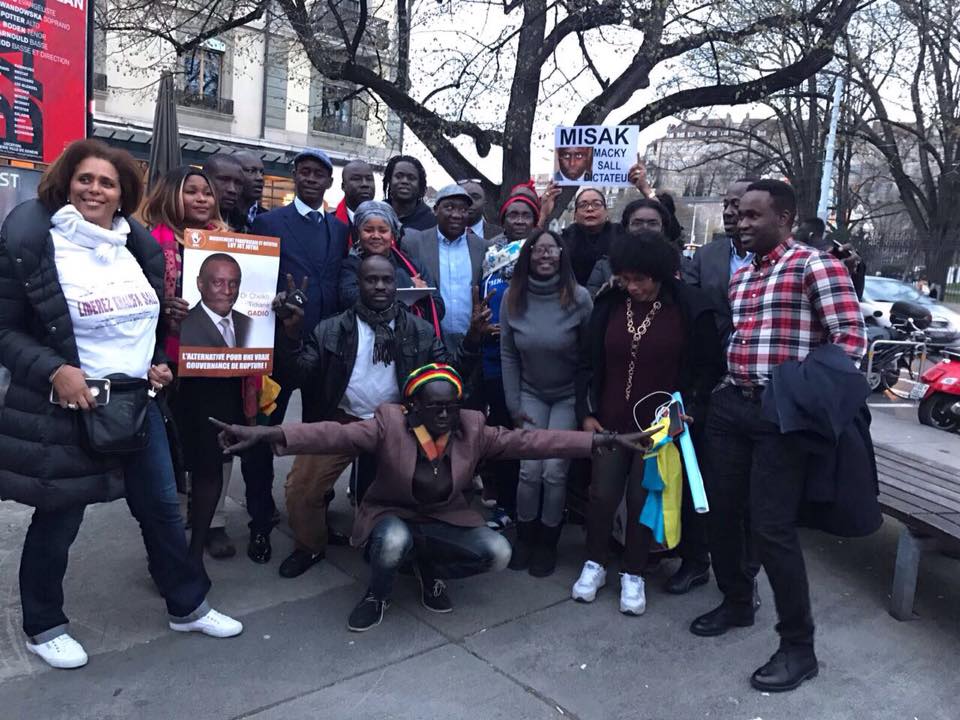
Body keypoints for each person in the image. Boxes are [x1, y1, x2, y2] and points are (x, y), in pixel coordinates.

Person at [0, 139, 242, 670]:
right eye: (85, 179)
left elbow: (146, 318)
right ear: (66, 182)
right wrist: (55, 370)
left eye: (107, 182)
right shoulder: (39, 240)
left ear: (123, 192)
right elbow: (6, 329)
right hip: (68, 406)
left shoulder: (134, 243)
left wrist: (156, 358)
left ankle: (187, 605)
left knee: (159, 508)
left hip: (137, 402)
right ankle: (44, 626)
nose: (95, 189)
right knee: (59, 519)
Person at [211, 363, 651, 632]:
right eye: (435, 406)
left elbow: (534, 442)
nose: (445, 413)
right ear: (412, 407)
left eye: (452, 405)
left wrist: (601, 442)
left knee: (497, 552)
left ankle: (430, 570)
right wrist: (269, 432)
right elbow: (331, 432)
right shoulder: (387, 425)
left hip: (443, 518)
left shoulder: (473, 429)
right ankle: (377, 595)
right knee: (395, 542)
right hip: (392, 515)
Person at [690, 179, 866, 693]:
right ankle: (738, 602)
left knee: (772, 529)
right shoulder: (744, 276)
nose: (740, 223)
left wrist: (797, 392)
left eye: (751, 215)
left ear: (785, 218)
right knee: (721, 512)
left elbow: (851, 343)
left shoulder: (815, 266)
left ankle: (798, 647)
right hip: (731, 406)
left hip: (779, 413)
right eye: (736, 214)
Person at [272, 255, 490, 578]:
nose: (379, 286)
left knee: (415, 491)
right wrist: (290, 335)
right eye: (371, 280)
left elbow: (446, 377)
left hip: (399, 424)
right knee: (301, 489)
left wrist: (473, 339)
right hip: (343, 419)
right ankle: (311, 545)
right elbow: (298, 374)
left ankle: (402, 550)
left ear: (396, 285)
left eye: (387, 280)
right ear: (358, 284)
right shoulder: (331, 328)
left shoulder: (419, 330)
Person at [572, 231, 724, 616]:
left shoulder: (688, 307)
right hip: (609, 420)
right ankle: (594, 563)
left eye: (641, 278)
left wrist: (687, 409)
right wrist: (585, 411)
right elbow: (586, 362)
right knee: (602, 495)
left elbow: (709, 368)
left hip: (658, 427)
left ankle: (633, 572)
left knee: (644, 498)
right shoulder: (609, 303)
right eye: (625, 278)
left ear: (661, 273)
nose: (632, 286)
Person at [244, 147, 349, 563]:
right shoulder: (268, 223)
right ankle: (260, 519)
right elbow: (251, 280)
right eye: (303, 172)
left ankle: (313, 514)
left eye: (318, 173)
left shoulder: (341, 229)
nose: (310, 179)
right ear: (294, 178)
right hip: (280, 347)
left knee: (319, 437)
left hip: (326, 350)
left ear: (328, 182)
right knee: (264, 433)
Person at [140, 165, 238, 559]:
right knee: (166, 464)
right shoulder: (148, 242)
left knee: (211, 459)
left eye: (207, 192)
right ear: (171, 195)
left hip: (217, 369)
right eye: (191, 191)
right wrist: (162, 309)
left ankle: (195, 550)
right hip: (166, 367)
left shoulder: (233, 243)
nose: (201, 198)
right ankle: (163, 548)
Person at [500, 230, 593, 576]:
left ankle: (547, 542)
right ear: (527, 256)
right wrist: (513, 404)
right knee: (529, 469)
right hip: (530, 393)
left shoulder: (579, 298)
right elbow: (508, 353)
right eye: (537, 250)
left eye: (551, 250)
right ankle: (525, 536)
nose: (544, 255)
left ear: (561, 255)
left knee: (554, 471)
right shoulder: (513, 297)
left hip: (568, 395)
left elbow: (590, 356)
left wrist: (586, 405)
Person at [478, 183, 541, 529]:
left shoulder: (545, 251)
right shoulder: (490, 253)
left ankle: (529, 507)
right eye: (513, 214)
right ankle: (504, 504)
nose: (519, 220)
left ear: (535, 219)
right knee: (501, 429)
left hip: (532, 357)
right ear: (503, 219)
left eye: (525, 214)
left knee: (528, 431)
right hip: (493, 356)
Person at [338, 200, 444, 333]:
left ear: (393, 234)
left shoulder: (413, 266)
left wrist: (384, 296)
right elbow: (350, 299)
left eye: (383, 230)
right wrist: (405, 283)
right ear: (359, 233)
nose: (376, 236)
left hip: (412, 343)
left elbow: (438, 307)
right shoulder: (351, 265)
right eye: (368, 230)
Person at [403, 184, 489, 341]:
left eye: (463, 210)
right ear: (435, 210)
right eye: (449, 207)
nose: (456, 215)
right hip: (429, 340)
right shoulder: (415, 243)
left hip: (472, 340)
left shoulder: (483, 247)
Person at [682, 178, 757, 348]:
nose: (727, 212)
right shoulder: (706, 256)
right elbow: (688, 302)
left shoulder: (779, 259)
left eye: (736, 205)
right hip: (712, 355)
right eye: (725, 205)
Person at [586, 198, 675, 297]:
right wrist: (606, 294)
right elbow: (592, 304)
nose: (644, 228)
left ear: (662, 229)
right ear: (626, 228)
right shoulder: (604, 266)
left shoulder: (679, 266)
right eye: (637, 223)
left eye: (652, 224)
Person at [540, 186, 620, 287]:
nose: (590, 209)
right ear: (575, 214)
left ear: (606, 211)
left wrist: (645, 190)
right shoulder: (563, 239)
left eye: (596, 204)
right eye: (583, 205)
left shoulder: (621, 234)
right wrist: (543, 215)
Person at [179, 253, 252, 348]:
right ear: (200, 283)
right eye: (218, 283)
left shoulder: (250, 325)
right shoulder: (183, 325)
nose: (227, 291)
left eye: (233, 284)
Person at [383, 155, 436, 231]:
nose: (404, 181)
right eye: (398, 176)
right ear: (389, 181)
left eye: (411, 178)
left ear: (419, 185)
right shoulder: (376, 213)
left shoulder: (432, 223)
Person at [335, 159, 377, 244]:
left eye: (369, 179)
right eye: (357, 179)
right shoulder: (328, 224)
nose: (365, 184)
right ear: (343, 186)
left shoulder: (386, 224)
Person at [202, 154, 247, 231]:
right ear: (204, 179)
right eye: (224, 180)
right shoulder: (182, 226)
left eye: (238, 183)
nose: (232, 189)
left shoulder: (246, 226)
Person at [233, 150, 268, 229]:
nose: (260, 178)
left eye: (262, 172)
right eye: (251, 171)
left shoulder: (271, 220)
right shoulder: (217, 216)